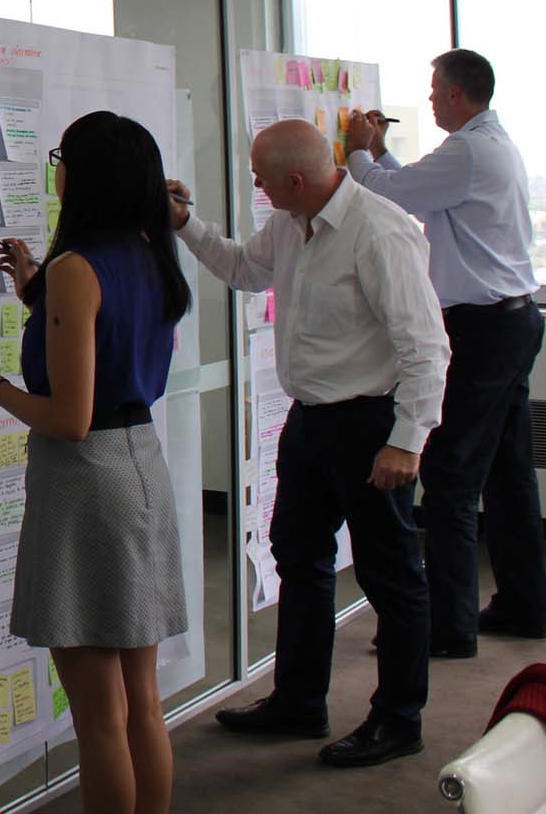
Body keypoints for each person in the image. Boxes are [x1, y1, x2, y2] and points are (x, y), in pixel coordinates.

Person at [170, 120, 449, 768]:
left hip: (372, 423)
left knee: (392, 575)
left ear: (294, 179)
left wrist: (407, 441)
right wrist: (185, 222)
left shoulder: (379, 231)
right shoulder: (291, 224)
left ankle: (399, 718)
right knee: (298, 555)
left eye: (260, 175)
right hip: (313, 420)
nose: (256, 184)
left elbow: (427, 346)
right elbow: (243, 269)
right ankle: (299, 700)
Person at [0, 111, 191, 814]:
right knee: (142, 703)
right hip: (142, 464)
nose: (55, 167)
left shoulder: (77, 268)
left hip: (87, 482)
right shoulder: (150, 250)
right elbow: (107, 335)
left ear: (84, 175)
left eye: (62, 156)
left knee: (98, 716)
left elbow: (69, 417)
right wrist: (35, 286)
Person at [344, 48, 546, 655]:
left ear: (458, 94)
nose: (430, 99)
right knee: (509, 475)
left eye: (436, 90)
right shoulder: (490, 143)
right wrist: (380, 153)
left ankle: (449, 626)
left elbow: (388, 192)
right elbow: (423, 189)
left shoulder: (468, 149)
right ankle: (523, 605)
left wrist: (360, 150)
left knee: (452, 477)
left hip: (485, 329)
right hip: (512, 321)